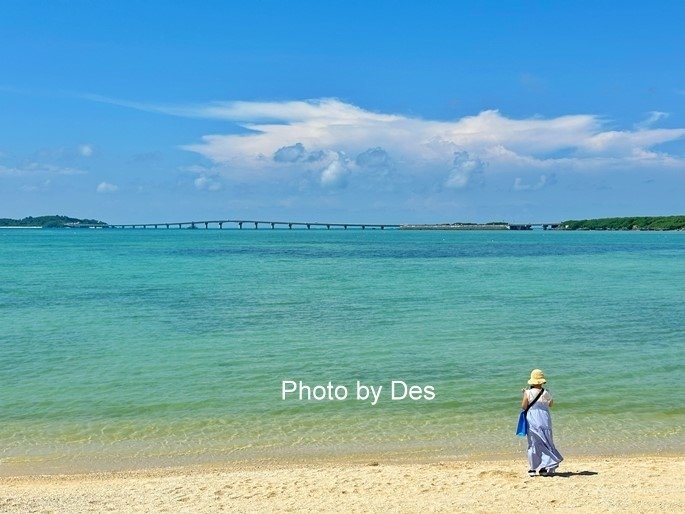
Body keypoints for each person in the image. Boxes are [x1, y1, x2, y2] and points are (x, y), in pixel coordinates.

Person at [521, 369, 563, 477]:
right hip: (544, 419)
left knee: (533, 443)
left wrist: (524, 394)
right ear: (542, 381)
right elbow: (550, 404)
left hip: (533, 419)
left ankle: (532, 469)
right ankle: (544, 468)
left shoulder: (528, 392)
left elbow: (524, 406)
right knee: (546, 442)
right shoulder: (546, 392)